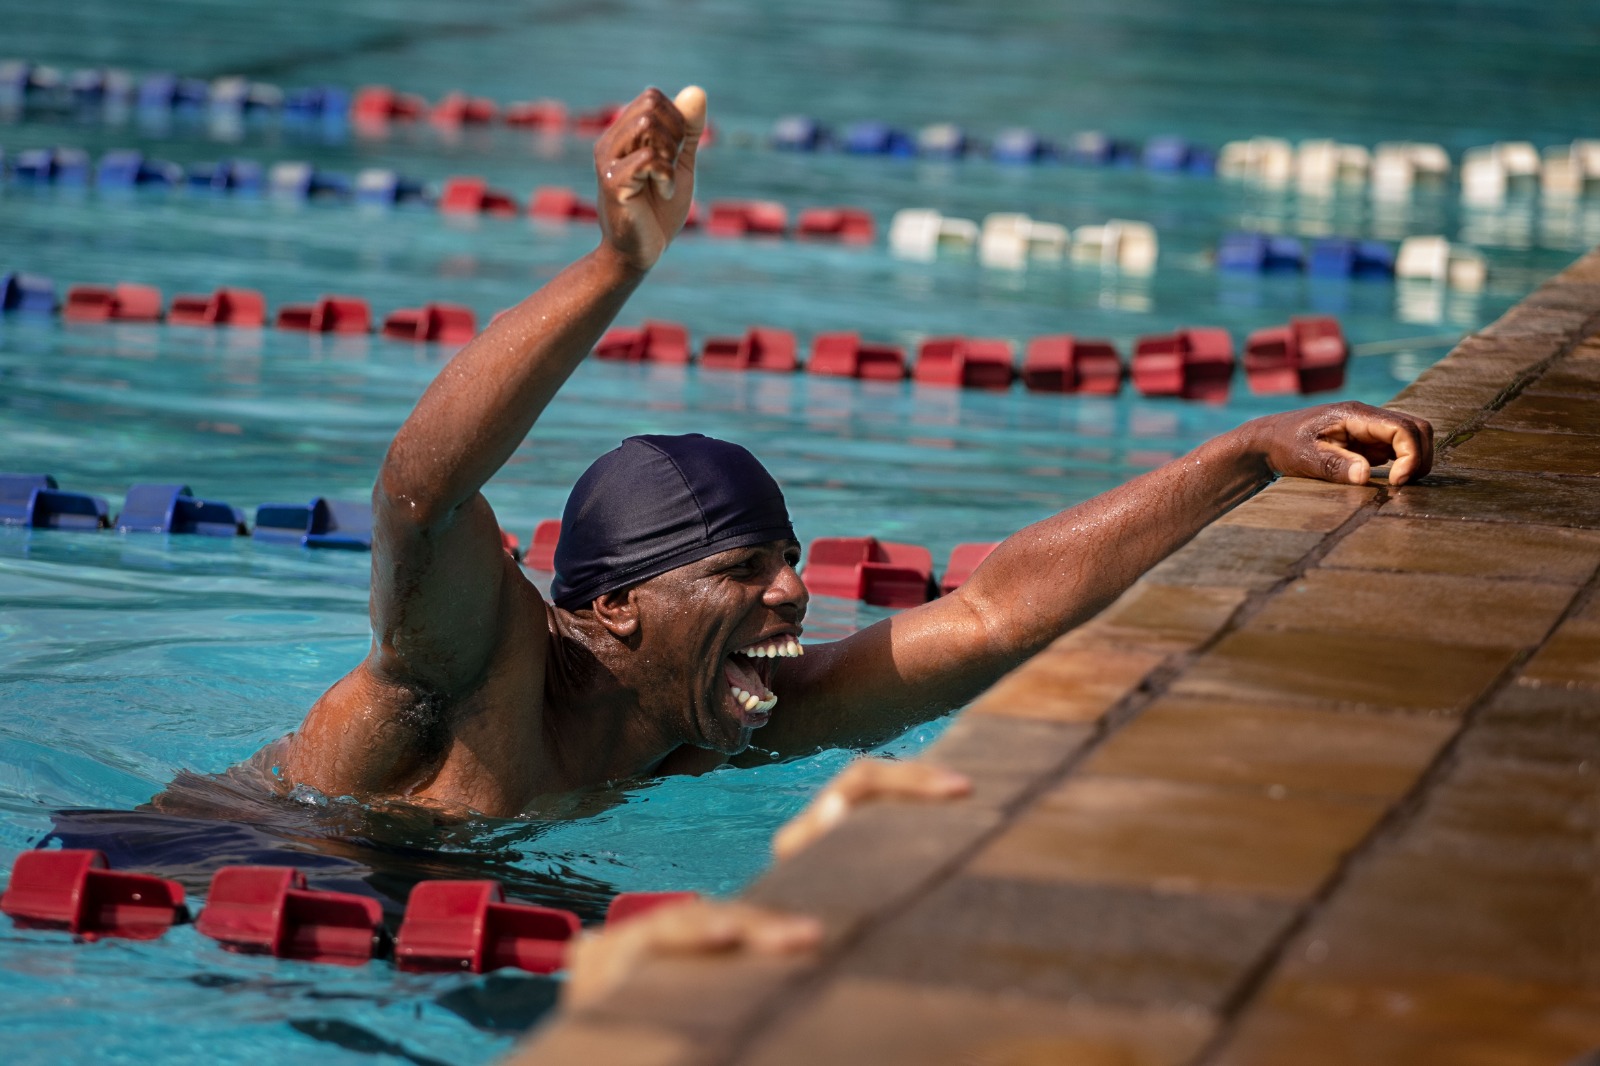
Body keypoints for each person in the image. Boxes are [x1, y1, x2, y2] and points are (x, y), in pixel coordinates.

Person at [277, 86, 1433, 818]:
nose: (794, 589)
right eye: (743, 570)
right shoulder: (479, 671)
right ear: (617, 606)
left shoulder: (710, 721)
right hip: (231, 874)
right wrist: (616, 267)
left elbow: (993, 616)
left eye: (784, 558)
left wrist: (1250, 451)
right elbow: (419, 498)